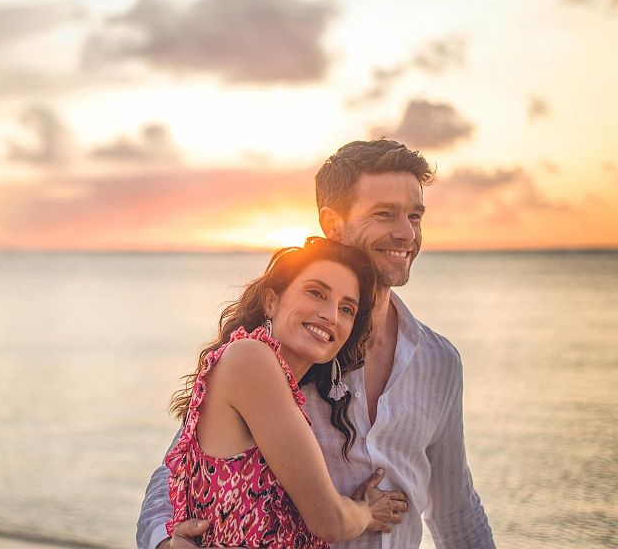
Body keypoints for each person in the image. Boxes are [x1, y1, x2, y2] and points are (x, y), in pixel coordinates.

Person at [138, 139, 495, 549]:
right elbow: (179, 470)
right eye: (385, 214)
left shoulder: (439, 361)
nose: (406, 233)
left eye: (415, 216)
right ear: (332, 222)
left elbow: (455, 510)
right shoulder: (289, 351)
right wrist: (163, 543)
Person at [163, 237, 409, 547]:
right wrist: (366, 512)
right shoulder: (249, 358)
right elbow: (329, 521)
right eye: (316, 293)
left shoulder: (279, 387)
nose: (331, 315)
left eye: (346, 309)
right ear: (271, 301)